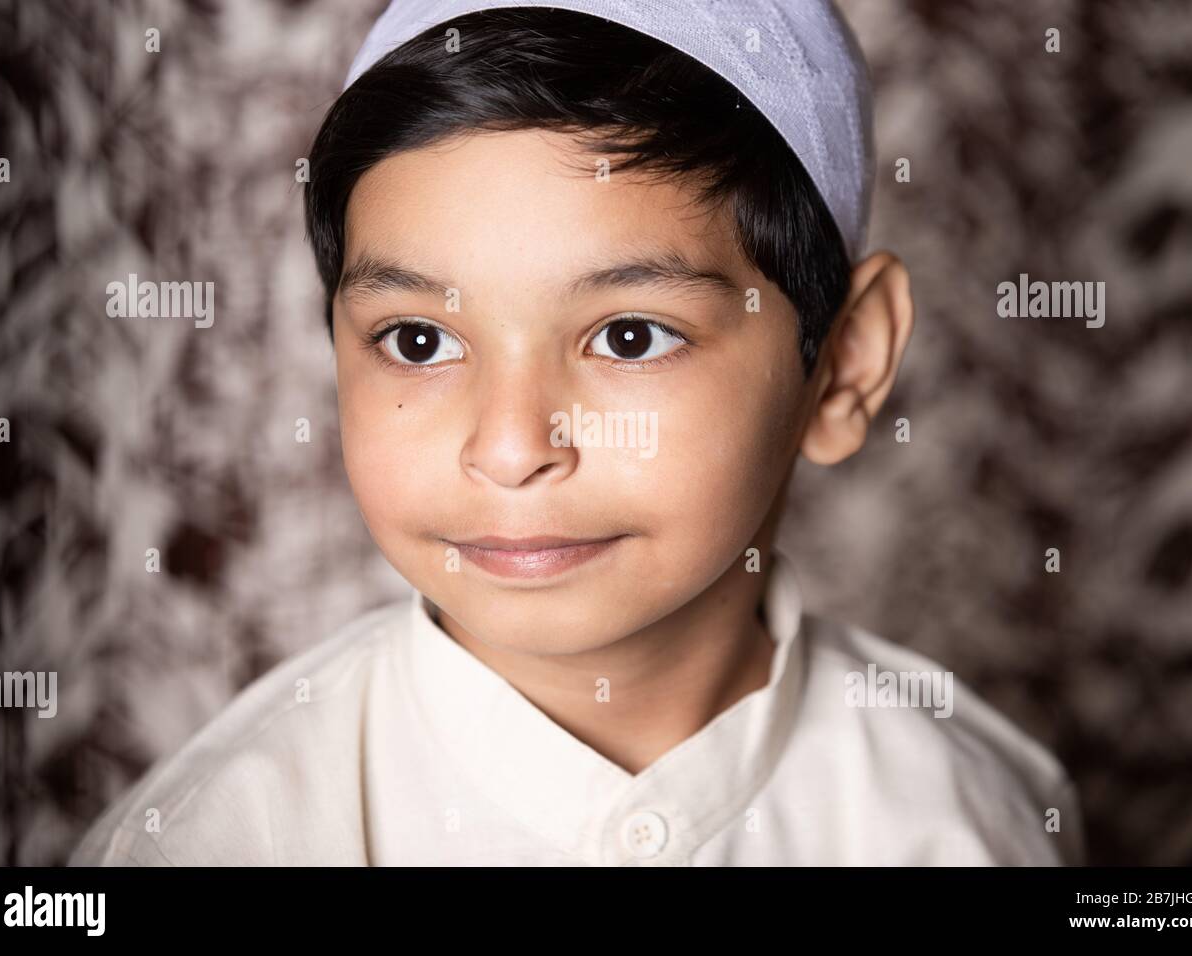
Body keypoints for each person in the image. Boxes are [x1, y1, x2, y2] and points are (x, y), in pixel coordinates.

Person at [70, 0, 1085, 866]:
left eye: (629, 335)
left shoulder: (965, 818)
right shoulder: (223, 835)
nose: (510, 447)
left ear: (843, 363)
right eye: (418, 339)